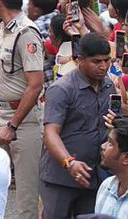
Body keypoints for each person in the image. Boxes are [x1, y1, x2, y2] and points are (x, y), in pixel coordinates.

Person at [0, 0, 45, 219]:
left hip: (22, 120)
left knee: (26, 195)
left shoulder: (27, 33)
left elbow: (35, 85)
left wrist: (12, 125)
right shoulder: (6, 28)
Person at [40, 32, 114, 217]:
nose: (103, 66)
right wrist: (69, 162)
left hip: (94, 176)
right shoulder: (62, 89)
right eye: (96, 61)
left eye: (107, 61)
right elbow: (50, 133)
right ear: (80, 60)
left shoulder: (109, 87)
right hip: (61, 178)